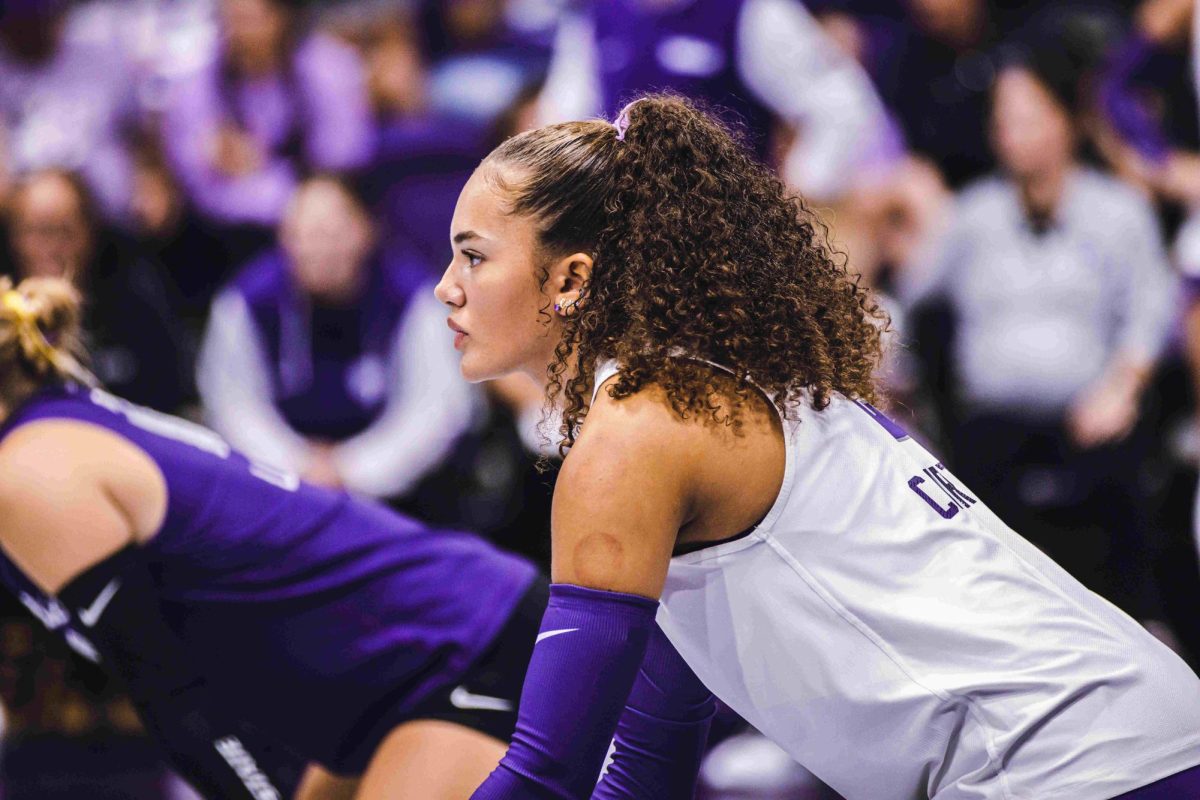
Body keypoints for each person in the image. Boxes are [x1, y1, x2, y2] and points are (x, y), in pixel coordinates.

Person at [434, 95, 1200, 799]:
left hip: (1072, 767)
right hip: (1136, 732)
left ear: (571, 278)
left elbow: (545, 773)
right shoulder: (702, 392)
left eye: (474, 255)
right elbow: (647, 761)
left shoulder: (637, 433)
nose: (446, 287)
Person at [0, 274, 595, 800]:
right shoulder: (49, 426)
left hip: (455, 640)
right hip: (375, 683)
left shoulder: (29, 470)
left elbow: (172, 692)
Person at [197, 174, 476, 502]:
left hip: (397, 496)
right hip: (282, 487)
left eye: (332, 233)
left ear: (366, 231)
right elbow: (233, 406)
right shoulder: (245, 301)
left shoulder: (415, 298)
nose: (319, 249)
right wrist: (297, 468)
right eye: (303, 234)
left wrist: (351, 471)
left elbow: (436, 411)